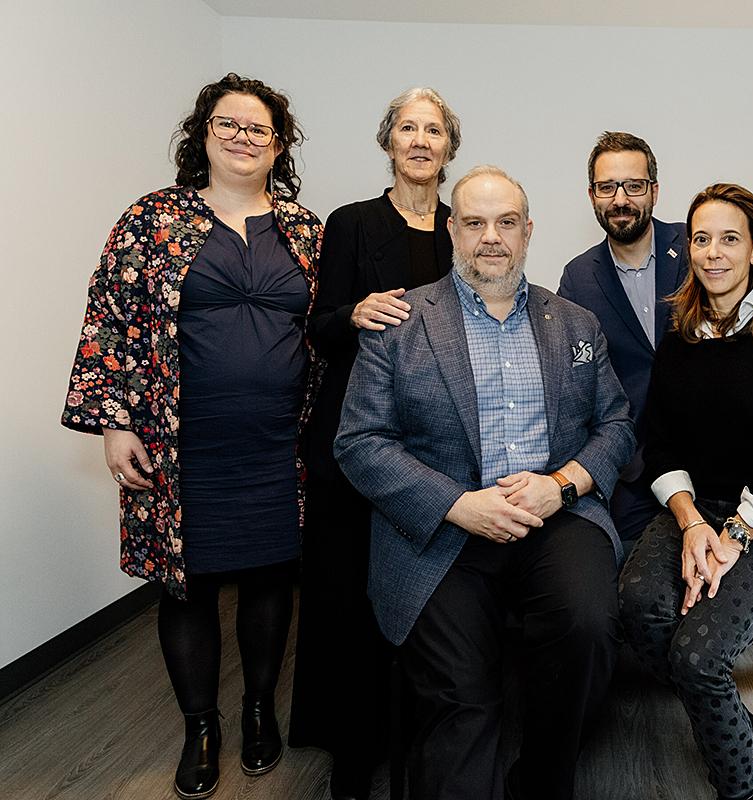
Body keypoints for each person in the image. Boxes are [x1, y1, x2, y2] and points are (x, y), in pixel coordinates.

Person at [334, 165, 636, 800]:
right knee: (461, 693)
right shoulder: (401, 322)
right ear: (452, 230)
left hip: (556, 519)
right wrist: (457, 504)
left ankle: (542, 780)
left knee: (586, 632)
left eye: (506, 223)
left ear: (528, 233)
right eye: (474, 223)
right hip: (442, 533)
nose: (490, 237)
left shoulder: (576, 324)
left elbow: (615, 425)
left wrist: (564, 486)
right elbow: (359, 443)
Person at [61, 73, 322, 799]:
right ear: (203, 133)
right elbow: (105, 317)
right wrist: (114, 423)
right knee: (188, 589)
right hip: (179, 447)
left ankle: (261, 709)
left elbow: (327, 332)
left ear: (279, 145)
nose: (243, 137)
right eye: (228, 124)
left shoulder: (306, 228)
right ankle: (201, 726)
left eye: (258, 128)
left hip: (280, 446)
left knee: (273, 581)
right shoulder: (151, 218)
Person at [619, 183, 753, 800]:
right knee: (638, 606)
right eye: (701, 239)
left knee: (697, 657)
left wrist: (736, 533)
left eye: (730, 239)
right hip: (697, 508)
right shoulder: (681, 334)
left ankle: (745, 787)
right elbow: (658, 443)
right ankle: (751, 739)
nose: (712, 253)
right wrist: (690, 523)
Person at [288, 86, 460, 800]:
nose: (420, 140)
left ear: (450, 148)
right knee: (345, 597)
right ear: (388, 142)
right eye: (407, 129)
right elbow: (318, 326)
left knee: (424, 600)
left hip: (439, 446)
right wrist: (353, 312)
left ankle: (422, 739)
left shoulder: (465, 226)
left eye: (434, 131)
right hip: (355, 437)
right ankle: (350, 748)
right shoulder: (353, 224)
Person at [558, 131, 689, 547]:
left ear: (654, 190)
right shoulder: (578, 278)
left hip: (704, 457)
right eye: (606, 187)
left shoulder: (694, 247)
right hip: (629, 473)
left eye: (633, 186)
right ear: (591, 194)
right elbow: (573, 384)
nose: (620, 199)